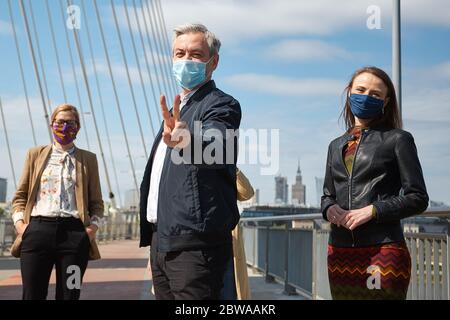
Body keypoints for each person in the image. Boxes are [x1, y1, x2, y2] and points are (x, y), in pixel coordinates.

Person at [139, 23, 241, 300]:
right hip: (164, 240)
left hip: (195, 244)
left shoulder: (221, 105)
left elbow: (218, 147)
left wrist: (187, 140)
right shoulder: (176, 112)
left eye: (195, 54)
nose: (186, 60)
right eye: (179, 53)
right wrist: (155, 246)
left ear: (213, 62)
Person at [321, 66, 429, 300]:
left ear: (386, 101)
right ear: (349, 92)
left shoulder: (398, 139)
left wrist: (373, 210)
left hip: (383, 250)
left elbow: (418, 197)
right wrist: (330, 209)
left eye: (375, 94)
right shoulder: (335, 145)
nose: (366, 96)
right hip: (339, 251)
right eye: (361, 90)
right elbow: (327, 195)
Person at [10, 104, 103, 300]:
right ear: (52, 124)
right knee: (32, 295)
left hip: (75, 237)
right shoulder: (35, 154)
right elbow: (20, 197)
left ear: (78, 127)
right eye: (60, 122)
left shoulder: (89, 159)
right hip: (36, 233)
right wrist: (21, 226)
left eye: (70, 122)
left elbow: (97, 203)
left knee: (71, 294)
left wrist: (91, 230)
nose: (64, 127)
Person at [221, 168, 253, 300]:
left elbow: (247, 193)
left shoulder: (224, 167)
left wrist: (232, 167)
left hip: (226, 242)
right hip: (198, 241)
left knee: (229, 292)